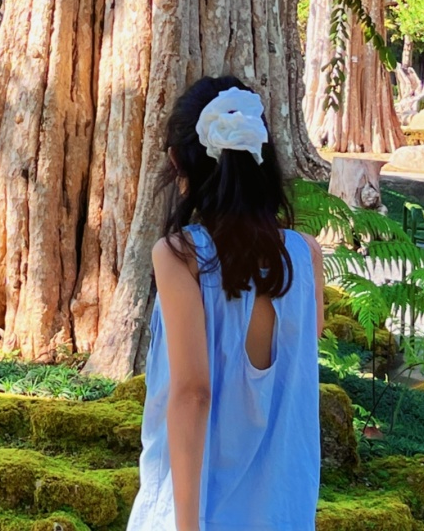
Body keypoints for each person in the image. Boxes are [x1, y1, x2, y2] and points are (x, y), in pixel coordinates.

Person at [126, 76, 325, 531]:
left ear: (178, 162)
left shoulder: (182, 257)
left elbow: (192, 393)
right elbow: (297, 368)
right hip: (283, 512)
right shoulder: (305, 255)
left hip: (192, 514)